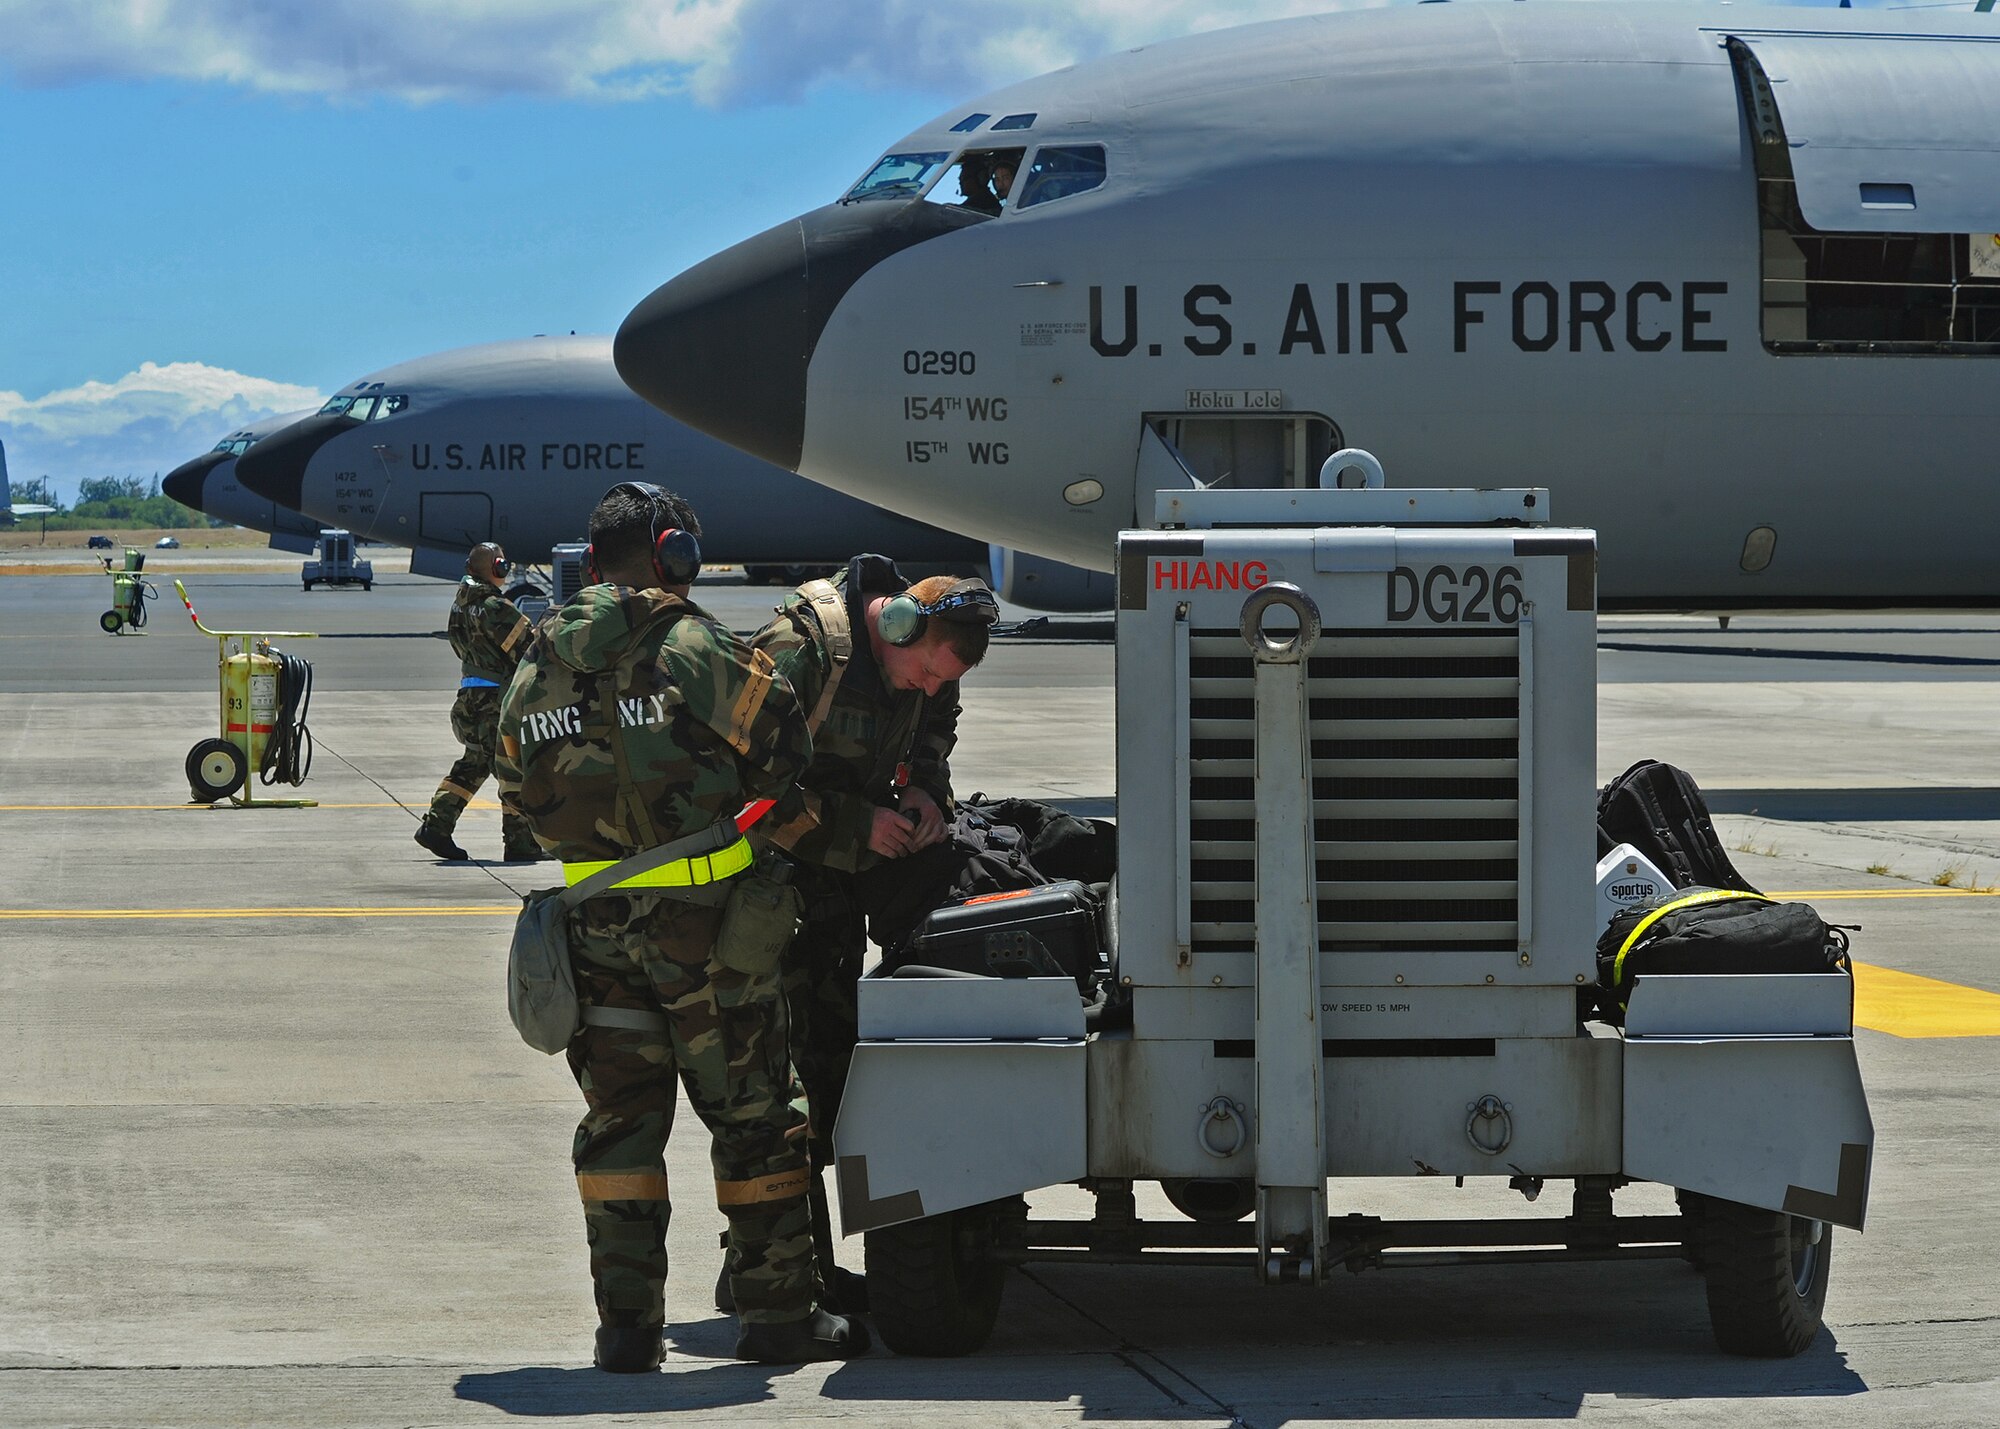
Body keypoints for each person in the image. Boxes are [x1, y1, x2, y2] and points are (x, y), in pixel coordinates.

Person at [495, 482, 868, 1372]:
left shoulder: (533, 662)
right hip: (712, 933)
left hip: (592, 929)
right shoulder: (693, 644)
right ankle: (776, 1316)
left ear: (590, 563)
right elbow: (786, 750)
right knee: (756, 1118)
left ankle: (626, 1329)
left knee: (621, 1125)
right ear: (675, 556)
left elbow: (516, 794)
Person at [733, 557, 998, 1311]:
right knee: (776, 1085)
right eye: (921, 674)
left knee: (826, 1073)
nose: (927, 690)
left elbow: (933, 729)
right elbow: (740, 780)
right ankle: (774, 1274)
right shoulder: (803, 648)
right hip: (770, 892)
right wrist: (857, 825)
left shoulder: (927, 671)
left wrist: (925, 788)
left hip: (834, 894)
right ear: (900, 625)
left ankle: (791, 1265)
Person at [414, 542, 539, 862]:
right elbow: (530, 648)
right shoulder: (496, 607)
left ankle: (437, 827)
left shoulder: (460, 604)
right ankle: (519, 842)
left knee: (474, 765)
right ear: (496, 568)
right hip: (495, 702)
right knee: (513, 769)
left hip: (470, 697)